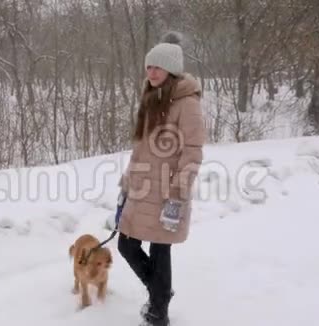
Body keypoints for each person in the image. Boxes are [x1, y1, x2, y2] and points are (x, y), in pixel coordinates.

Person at [116, 31, 206, 326]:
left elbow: (192, 152)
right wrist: (127, 185)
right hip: (142, 186)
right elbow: (141, 148)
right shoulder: (150, 97)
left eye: (157, 67)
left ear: (171, 69)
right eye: (148, 67)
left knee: (159, 247)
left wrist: (178, 194)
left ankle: (158, 313)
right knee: (126, 245)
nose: (151, 72)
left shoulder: (187, 102)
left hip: (168, 191)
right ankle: (160, 293)